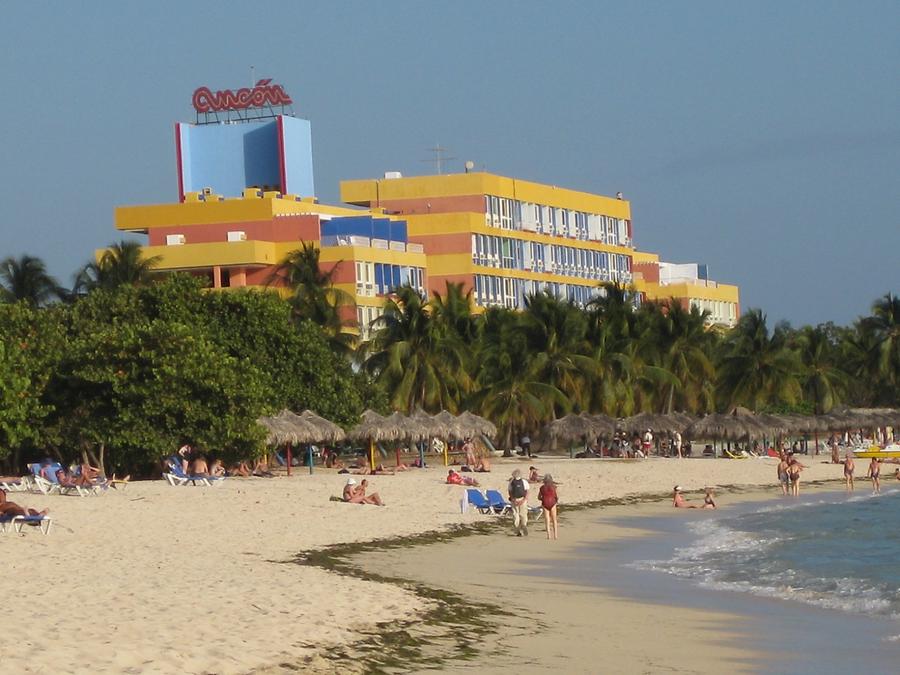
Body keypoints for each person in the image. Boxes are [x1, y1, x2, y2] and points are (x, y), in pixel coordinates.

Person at [508, 469, 530, 536]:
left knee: (515, 515)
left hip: (514, 499)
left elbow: (510, 491)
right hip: (522, 499)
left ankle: (517, 530)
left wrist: (513, 499)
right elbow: (527, 492)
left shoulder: (511, 482)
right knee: (523, 515)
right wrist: (524, 500)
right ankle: (523, 525)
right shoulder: (524, 481)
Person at [538, 474, 559, 540]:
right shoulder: (554, 487)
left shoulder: (542, 488)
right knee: (554, 519)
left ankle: (548, 535)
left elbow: (538, 497)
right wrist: (556, 501)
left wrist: (542, 499)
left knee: (547, 520)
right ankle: (555, 535)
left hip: (545, 503)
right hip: (552, 503)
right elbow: (557, 496)